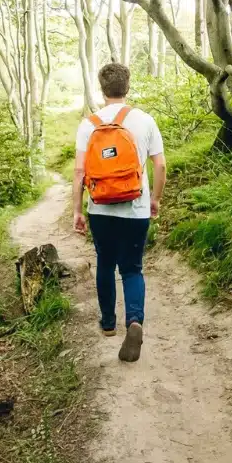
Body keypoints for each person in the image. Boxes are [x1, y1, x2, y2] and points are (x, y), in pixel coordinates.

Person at [72, 63, 165, 362]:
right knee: (132, 268)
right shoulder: (145, 120)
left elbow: (78, 172)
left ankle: (109, 324)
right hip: (135, 207)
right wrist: (156, 200)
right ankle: (134, 321)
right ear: (127, 86)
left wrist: (78, 210)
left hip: (100, 208)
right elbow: (160, 165)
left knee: (105, 264)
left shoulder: (89, 124)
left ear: (102, 88)